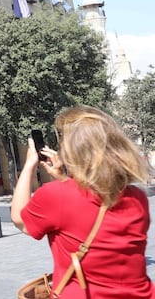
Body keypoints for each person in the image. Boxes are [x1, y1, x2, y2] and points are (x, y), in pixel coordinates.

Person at [11, 106, 155, 298]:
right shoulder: (137, 198)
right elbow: (93, 208)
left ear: (72, 149)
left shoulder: (56, 195)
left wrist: (29, 165)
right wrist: (64, 180)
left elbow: (20, 220)